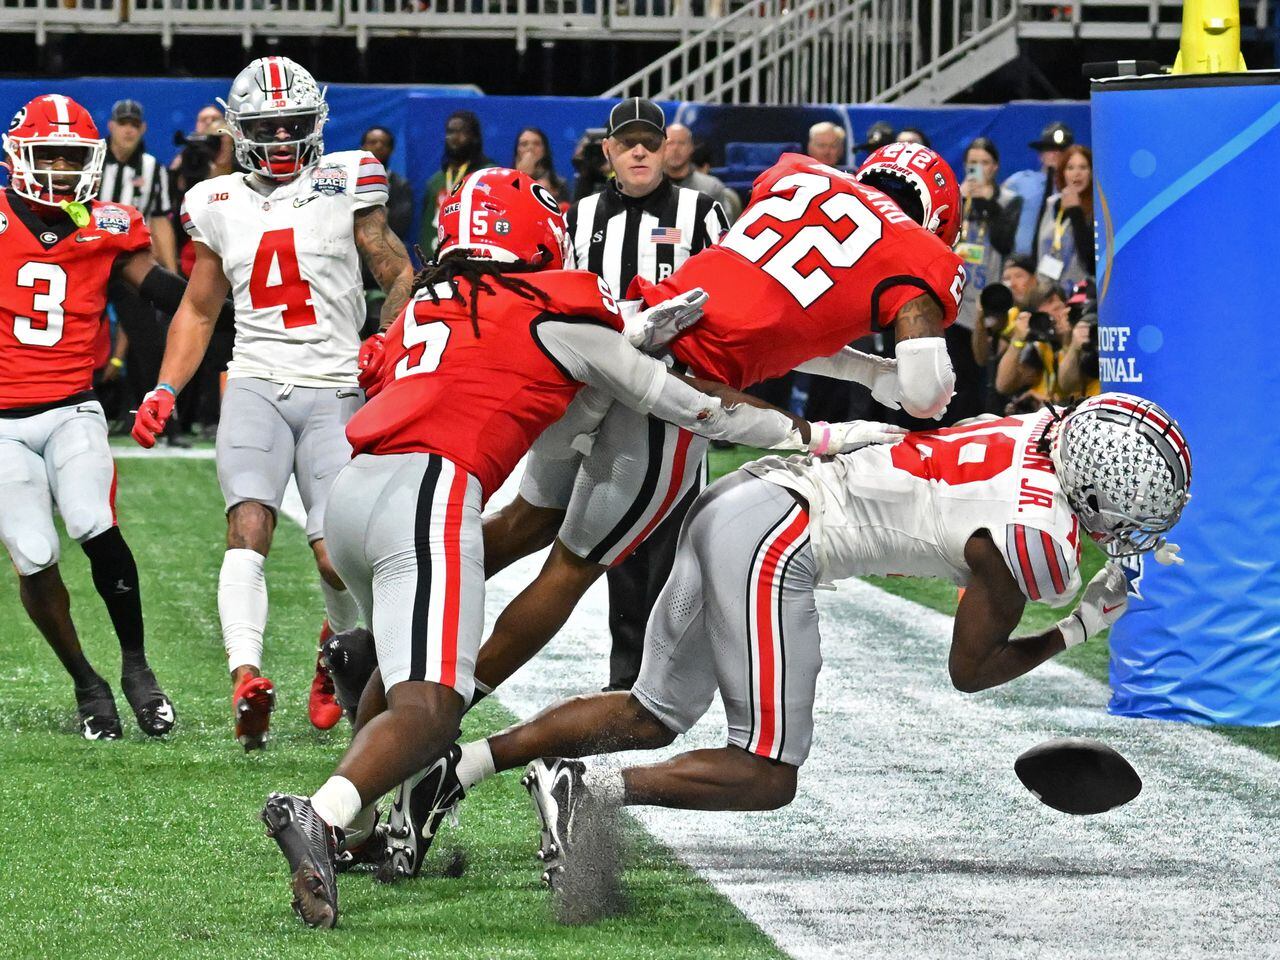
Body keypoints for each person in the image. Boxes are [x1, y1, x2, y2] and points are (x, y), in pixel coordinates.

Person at [255, 166, 898, 926]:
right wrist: (822, 434)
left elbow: (450, 348)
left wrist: (622, 328)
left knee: (426, 650)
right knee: (437, 697)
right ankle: (334, 813)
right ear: (529, 232)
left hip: (357, 493)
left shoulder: (430, 298)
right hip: (432, 493)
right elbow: (693, 405)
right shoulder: (552, 307)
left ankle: (360, 822)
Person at [451, 394, 1192, 891]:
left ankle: (461, 764)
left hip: (739, 501)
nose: (1130, 529)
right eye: (1127, 512)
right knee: (767, 774)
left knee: (650, 713)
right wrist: (1080, 626)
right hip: (781, 537)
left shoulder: (1040, 424)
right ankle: (585, 790)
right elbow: (972, 670)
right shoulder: (1039, 540)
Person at [471, 143, 968, 749]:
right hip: (678, 388)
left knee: (528, 520)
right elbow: (923, 393)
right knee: (572, 569)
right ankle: (437, 709)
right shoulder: (919, 252)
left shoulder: (798, 173)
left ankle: (393, 639)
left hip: (623, 333)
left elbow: (773, 313)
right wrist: (913, 384)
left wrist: (867, 374)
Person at [130, 57, 416, 750]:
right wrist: (166, 386)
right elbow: (199, 310)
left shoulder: (348, 179)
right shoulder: (215, 201)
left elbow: (398, 270)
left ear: (316, 122)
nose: (283, 138)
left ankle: (336, 652)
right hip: (256, 379)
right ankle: (245, 677)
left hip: (334, 386)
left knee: (333, 555)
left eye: (293, 124)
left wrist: (388, 340)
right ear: (241, 130)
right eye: (268, 126)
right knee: (248, 527)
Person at [0, 94, 205, 739]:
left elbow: (163, 288)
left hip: (70, 407)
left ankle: (137, 668)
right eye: (49, 155)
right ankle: (86, 681)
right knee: (33, 553)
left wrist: (228, 303)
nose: (61, 169)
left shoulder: (108, 225)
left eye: (72, 156)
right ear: (18, 158)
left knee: (92, 515)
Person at [563, 97, 729, 692]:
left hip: (681, 391)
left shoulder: (703, 211)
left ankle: (668, 670)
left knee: (678, 530)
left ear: (667, 150)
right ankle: (626, 671)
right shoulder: (577, 216)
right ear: (607, 150)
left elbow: (725, 299)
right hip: (609, 395)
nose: (639, 151)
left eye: (650, 142)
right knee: (617, 529)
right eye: (627, 141)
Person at [99, 99, 183, 440]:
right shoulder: (92, 162)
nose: (129, 129)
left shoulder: (152, 167)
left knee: (150, 340)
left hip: (128, 264)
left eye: (135, 123)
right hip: (88, 259)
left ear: (143, 128)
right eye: (123, 123)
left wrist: (172, 273)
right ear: (112, 126)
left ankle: (166, 420)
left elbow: (160, 220)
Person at [951, 137, 1019, 420]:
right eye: (972, 163)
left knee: (985, 382)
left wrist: (988, 203)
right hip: (956, 303)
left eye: (984, 163)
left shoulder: (1009, 200)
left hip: (989, 302)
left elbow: (1006, 243)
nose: (977, 168)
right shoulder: (955, 196)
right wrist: (962, 200)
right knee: (956, 384)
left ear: (995, 167)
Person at [417, 110, 495, 261]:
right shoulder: (435, 181)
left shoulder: (487, 175)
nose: (455, 137)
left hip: (473, 261)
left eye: (462, 131)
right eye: (451, 132)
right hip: (435, 261)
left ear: (475, 137)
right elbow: (426, 228)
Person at [359, 126, 414, 332]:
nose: (378, 147)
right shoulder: (348, 185)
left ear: (391, 150)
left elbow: (400, 224)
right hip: (352, 270)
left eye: (383, 143)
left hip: (382, 273)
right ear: (362, 147)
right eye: (372, 142)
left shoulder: (400, 185)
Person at [994, 284, 1072, 405]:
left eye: (1059, 301)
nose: (1056, 307)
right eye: (1047, 303)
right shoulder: (1040, 346)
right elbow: (1003, 385)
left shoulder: (1081, 336)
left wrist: (1067, 340)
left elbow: (1070, 385)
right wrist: (1017, 339)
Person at [1004, 121, 1073, 258]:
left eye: (1061, 150)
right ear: (1041, 155)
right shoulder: (1020, 181)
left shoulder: (1075, 189)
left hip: (1057, 263)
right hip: (1019, 262)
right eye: (1049, 149)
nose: (1055, 154)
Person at [1033, 145, 1095, 290]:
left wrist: (1076, 212)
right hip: (1048, 290)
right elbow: (1038, 248)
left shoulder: (1097, 209)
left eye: (1083, 167)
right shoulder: (1052, 204)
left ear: (1092, 172)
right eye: (1070, 168)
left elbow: (1090, 261)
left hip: (1082, 293)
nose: (1077, 173)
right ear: (1062, 173)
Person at [663, 123, 739, 224]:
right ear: (661, 148)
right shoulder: (650, 186)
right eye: (670, 143)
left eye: (681, 143)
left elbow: (724, 229)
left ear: (691, 147)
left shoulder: (712, 187)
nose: (675, 149)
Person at [512, 126, 569, 207]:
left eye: (536, 144)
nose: (530, 148)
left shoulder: (558, 184)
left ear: (544, 150)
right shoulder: (506, 183)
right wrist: (522, 176)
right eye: (524, 144)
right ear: (517, 150)